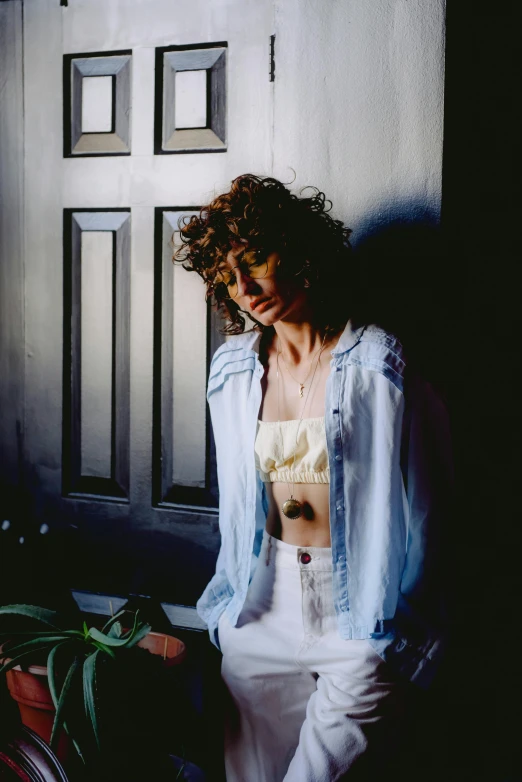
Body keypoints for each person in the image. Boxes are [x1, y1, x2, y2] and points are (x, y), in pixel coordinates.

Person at [175, 174, 452, 781]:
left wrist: (407, 634)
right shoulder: (233, 371)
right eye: (228, 275)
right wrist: (226, 611)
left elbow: (434, 509)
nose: (244, 288)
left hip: (357, 615)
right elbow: (239, 504)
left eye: (254, 261)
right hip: (261, 606)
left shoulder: (380, 362)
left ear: (297, 249)